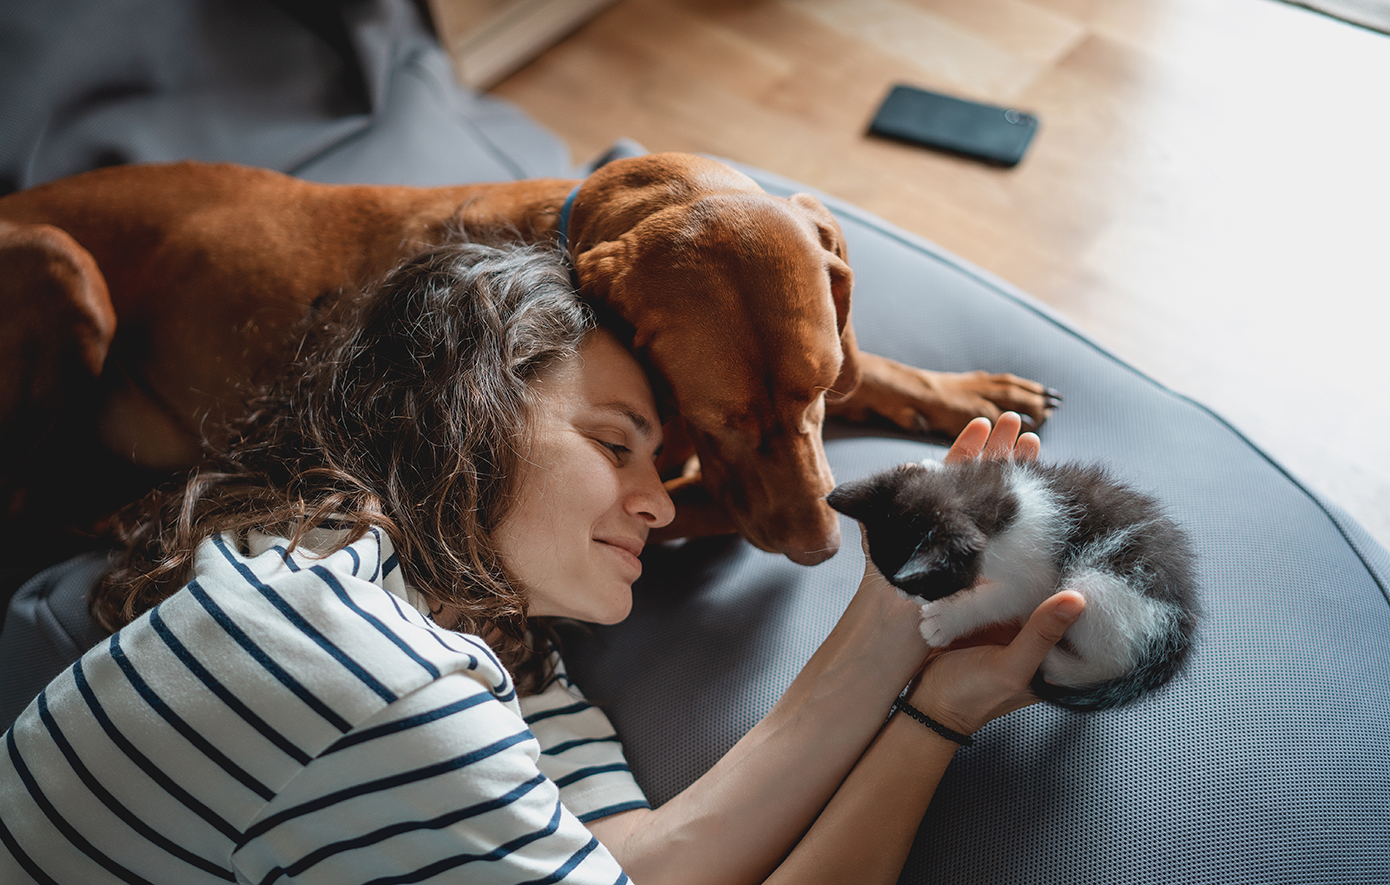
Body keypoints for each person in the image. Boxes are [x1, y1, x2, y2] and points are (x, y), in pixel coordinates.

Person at [0, 239, 1084, 884]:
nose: (660, 507)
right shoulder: (367, 666)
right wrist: (929, 730)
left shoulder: (475, 639)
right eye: (613, 443)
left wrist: (902, 640)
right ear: (461, 410)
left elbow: (653, 859)